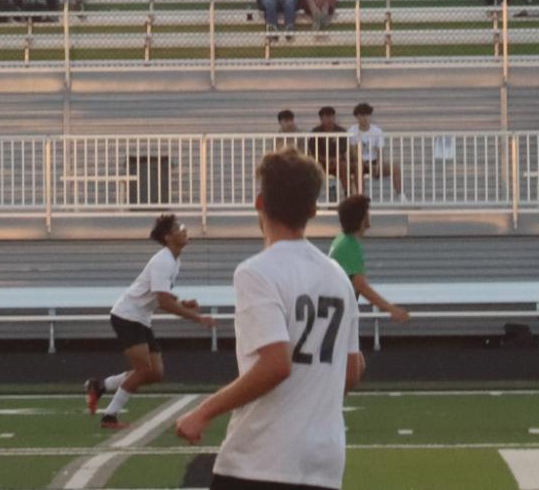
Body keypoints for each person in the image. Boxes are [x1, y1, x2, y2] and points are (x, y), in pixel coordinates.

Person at [173, 150, 363, 490]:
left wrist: (203, 412)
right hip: (324, 462)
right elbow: (352, 369)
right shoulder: (337, 277)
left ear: (259, 202)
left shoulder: (256, 272)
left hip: (261, 460)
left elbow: (275, 364)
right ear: (312, 210)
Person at [86, 214, 213, 429]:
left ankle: (99, 385)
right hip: (127, 316)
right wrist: (197, 317)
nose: (184, 230)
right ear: (168, 237)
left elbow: (160, 294)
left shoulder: (174, 260)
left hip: (140, 317)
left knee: (155, 373)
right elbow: (163, 301)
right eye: (179, 228)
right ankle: (110, 416)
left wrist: (183, 302)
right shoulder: (163, 261)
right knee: (143, 370)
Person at [330, 193, 410, 326]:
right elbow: (360, 285)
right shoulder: (349, 246)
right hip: (339, 318)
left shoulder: (343, 240)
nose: (369, 215)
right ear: (362, 219)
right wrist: (391, 309)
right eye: (367, 212)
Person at [347, 102, 401, 196]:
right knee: (358, 168)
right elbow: (353, 152)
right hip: (359, 162)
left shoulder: (376, 131)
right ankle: (361, 198)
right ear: (357, 117)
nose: (365, 118)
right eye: (362, 115)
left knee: (395, 168)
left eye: (367, 115)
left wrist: (378, 165)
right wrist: (366, 165)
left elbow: (380, 151)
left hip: (374, 161)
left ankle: (400, 195)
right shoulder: (352, 130)